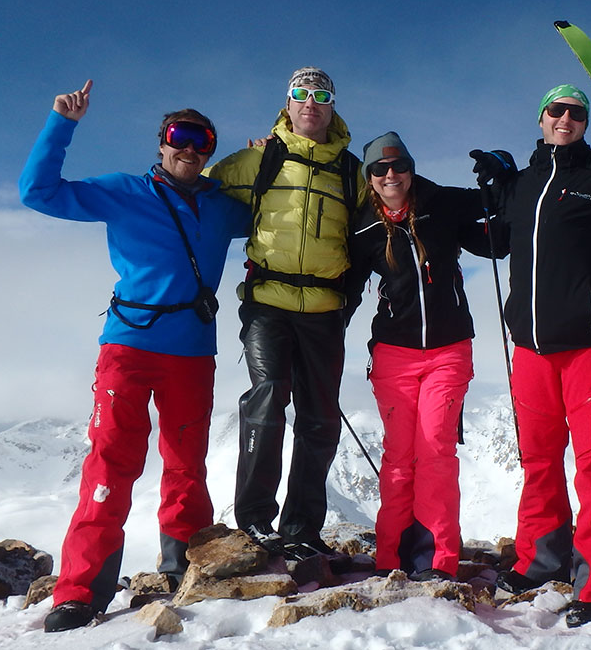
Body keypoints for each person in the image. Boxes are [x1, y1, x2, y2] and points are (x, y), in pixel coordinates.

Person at [19, 80, 250, 632]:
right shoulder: (124, 191)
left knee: (186, 464)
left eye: (202, 142)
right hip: (129, 345)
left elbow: (278, 214)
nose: (189, 149)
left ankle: (181, 568)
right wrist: (62, 123)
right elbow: (39, 192)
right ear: (162, 143)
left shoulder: (223, 206)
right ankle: (80, 592)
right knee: (110, 463)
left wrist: (268, 155)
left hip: (193, 351)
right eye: (179, 137)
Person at [469, 85, 591, 627]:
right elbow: (493, 243)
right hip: (530, 349)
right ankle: (539, 560)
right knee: (539, 461)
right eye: (557, 110)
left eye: (576, 112)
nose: (566, 118)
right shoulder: (524, 182)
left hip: (589, 348)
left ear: (584, 122)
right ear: (542, 116)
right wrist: (490, 191)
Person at [205, 67, 367, 559]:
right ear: (288, 102)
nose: (311, 103)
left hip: (324, 307)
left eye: (321, 95)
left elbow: (376, 222)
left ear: (332, 106)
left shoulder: (352, 170)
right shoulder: (259, 159)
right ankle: (255, 520)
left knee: (319, 418)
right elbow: (195, 189)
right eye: (301, 94)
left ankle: (302, 529)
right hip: (267, 303)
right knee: (268, 397)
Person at [342, 132, 493, 582]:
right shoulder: (363, 227)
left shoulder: (441, 204)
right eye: (380, 169)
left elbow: (493, 215)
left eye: (399, 165)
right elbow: (346, 291)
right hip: (393, 354)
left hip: (448, 350)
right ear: (369, 178)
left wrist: (501, 175)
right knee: (399, 457)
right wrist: (317, 339)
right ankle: (390, 559)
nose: (392, 175)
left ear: (411, 167)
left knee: (436, 451)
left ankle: (436, 560)